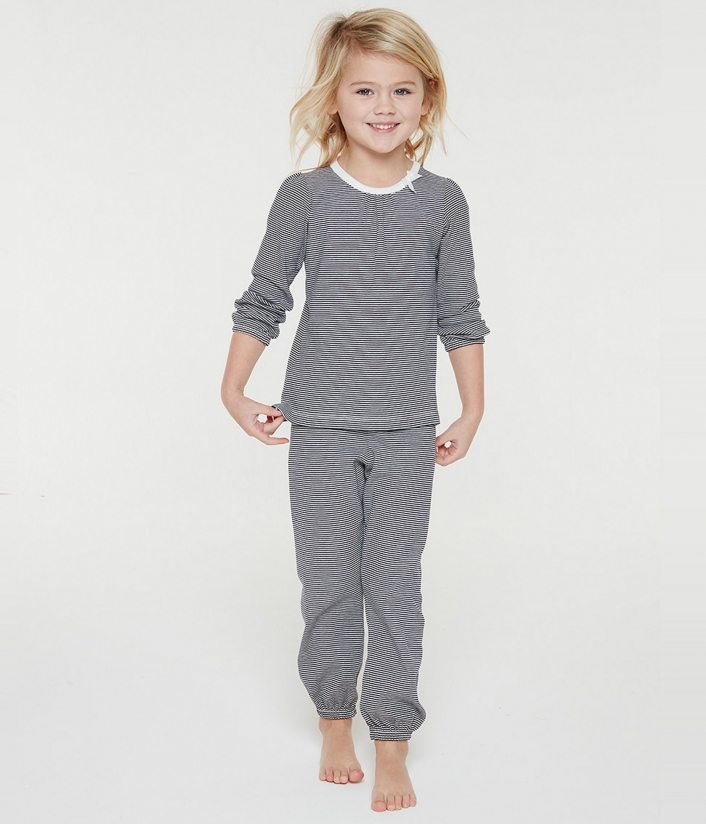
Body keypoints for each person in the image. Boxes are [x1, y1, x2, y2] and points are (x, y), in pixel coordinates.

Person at [221, 7, 490, 813]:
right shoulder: (305, 197)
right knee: (330, 584)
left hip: (408, 431)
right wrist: (232, 389)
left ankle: (393, 737)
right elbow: (265, 295)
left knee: (394, 588)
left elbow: (460, 312)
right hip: (321, 427)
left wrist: (470, 410)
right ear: (333, 99)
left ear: (427, 98)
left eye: (401, 90)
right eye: (365, 89)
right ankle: (335, 719)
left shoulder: (442, 202)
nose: (383, 106)